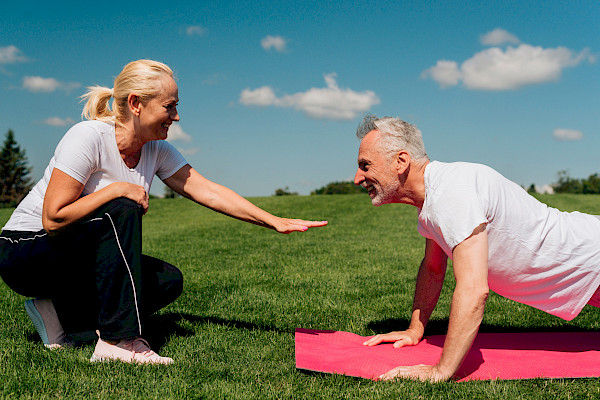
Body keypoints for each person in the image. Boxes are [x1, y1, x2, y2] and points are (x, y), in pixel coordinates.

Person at [0, 59, 327, 365]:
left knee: (166, 281)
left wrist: (272, 220)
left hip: (70, 257)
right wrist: (117, 189)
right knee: (122, 207)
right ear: (136, 104)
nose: (177, 116)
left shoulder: (156, 150)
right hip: (24, 251)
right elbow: (53, 218)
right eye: (169, 106)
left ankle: (57, 313)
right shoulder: (87, 137)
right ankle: (117, 343)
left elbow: (208, 190)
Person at [353, 115, 600, 382]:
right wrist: (415, 329)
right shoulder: (434, 200)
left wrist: (441, 371)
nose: (358, 178)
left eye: (365, 166)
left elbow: (474, 289)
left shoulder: (451, 192)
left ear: (401, 161)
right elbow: (434, 267)